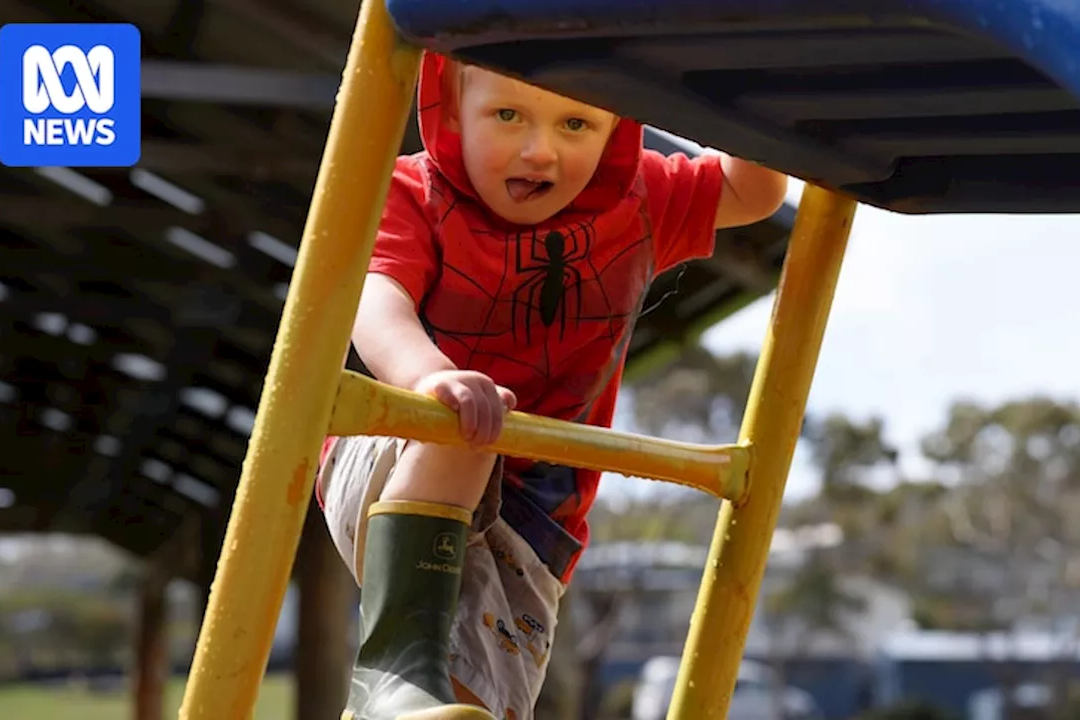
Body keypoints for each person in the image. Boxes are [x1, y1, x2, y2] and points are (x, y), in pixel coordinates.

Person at [316, 51, 787, 720]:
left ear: (618, 123)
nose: (541, 151)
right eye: (508, 115)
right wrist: (432, 378)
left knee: (467, 706)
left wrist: (720, 81)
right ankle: (388, 665)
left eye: (576, 124)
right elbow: (376, 297)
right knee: (467, 426)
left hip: (535, 518)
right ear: (450, 106)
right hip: (397, 460)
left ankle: (404, 700)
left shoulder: (639, 199)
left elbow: (756, 191)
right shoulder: (415, 192)